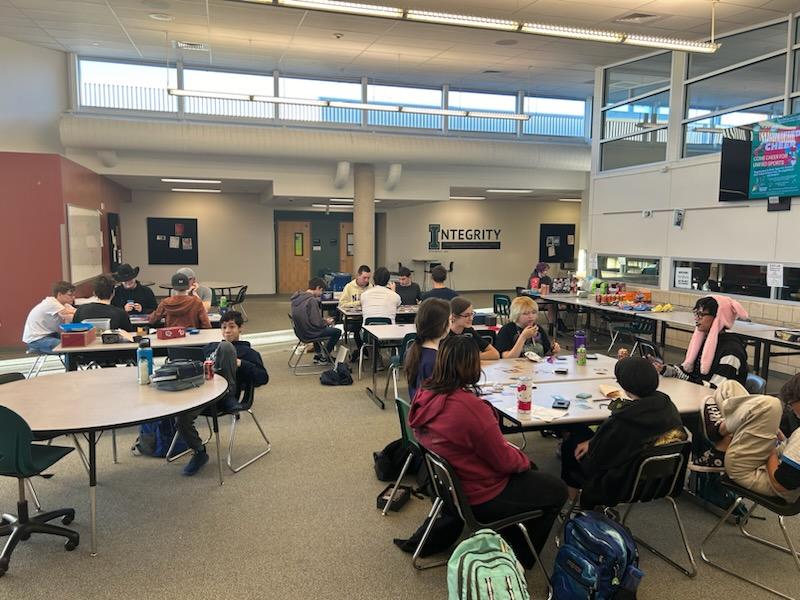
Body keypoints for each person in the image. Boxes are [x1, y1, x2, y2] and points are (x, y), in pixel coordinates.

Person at [409, 336, 568, 569]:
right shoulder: (470, 408)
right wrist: (524, 461)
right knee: (556, 490)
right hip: (480, 495)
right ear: (473, 365)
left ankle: (511, 532)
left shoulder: (426, 394)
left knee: (532, 475)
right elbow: (504, 461)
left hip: (451, 491)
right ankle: (519, 558)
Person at [560, 357, 687, 503]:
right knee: (586, 437)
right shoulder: (667, 406)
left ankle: (575, 501)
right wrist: (594, 440)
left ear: (624, 385)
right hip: (663, 480)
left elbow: (599, 459)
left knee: (571, 443)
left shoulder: (624, 419)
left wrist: (594, 442)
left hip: (621, 484)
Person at [177, 310, 269, 476]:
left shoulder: (249, 353)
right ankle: (199, 451)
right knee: (181, 416)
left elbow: (263, 378)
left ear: (241, 329)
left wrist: (241, 363)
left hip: (227, 394)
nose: (227, 330)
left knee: (226, 346)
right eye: (224, 327)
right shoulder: (210, 348)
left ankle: (225, 395)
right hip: (204, 393)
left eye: (232, 327)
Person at [692, 379, 798, 501]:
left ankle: (720, 430)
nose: (790, 406)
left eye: (792, 402)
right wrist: (773, 432)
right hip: (769, 457)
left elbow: (780, 485)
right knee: (730, 386)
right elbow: (792, 449)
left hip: (757, 474)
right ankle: (724, 441)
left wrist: (771, 449)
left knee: (771, 404)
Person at [648, 295, 748, 389]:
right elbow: (688, 372)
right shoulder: (705, 342)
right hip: (698, 395)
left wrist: (684, 378)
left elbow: (716, 388)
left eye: (701, 314)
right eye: (696, 313)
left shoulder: (732, 351)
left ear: (718, 317)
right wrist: (664, 368)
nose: (696, 318)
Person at [404, 298, 450, 401]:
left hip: (420, 410)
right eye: (450, 320)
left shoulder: (415, 349)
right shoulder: (434, 359)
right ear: (443, 324)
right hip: (431, 412)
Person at [290, 277, 341, 363]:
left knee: (319, 327)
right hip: (309, 332)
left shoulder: (298, 297)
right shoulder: (311, 300)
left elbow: (311, 318)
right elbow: (317, 323)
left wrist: (322, 320)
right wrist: (326, 322)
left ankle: (319, 354)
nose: (321, 294)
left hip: (301, 331)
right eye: (321, 291)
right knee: (337, 332)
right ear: (317, 288)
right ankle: (325, 355)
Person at [494, 296, 560, 358]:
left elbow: (546, 354)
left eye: (533, 313)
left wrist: (553, 350)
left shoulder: (538, 329)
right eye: (525, 313)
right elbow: (508, 358)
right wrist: (523, 337)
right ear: (516, 315)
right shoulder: (507, 330)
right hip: (515, 367)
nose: (530, 316)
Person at [22, 281, 77, 354]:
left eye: (74, 295)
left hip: (50, 335)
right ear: (59, 294)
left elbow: (77, 314)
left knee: (76, 342)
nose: (73, 297)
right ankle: (71, 365)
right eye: (70, 295)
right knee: (68, 347)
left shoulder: (64, 305)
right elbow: (68, 313)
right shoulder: (51, 303)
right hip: (36, 340)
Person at [339, 265, 373, 353]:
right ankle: (362, 351)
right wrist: (358, 303)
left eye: (368, 278)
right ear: (358, 276)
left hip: (366, 317)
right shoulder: (349, 287)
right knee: (358, 328)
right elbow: (342, 304)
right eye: (364, 277)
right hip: (352, 320)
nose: (366, 280)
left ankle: (367, 351)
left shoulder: (370, 287)